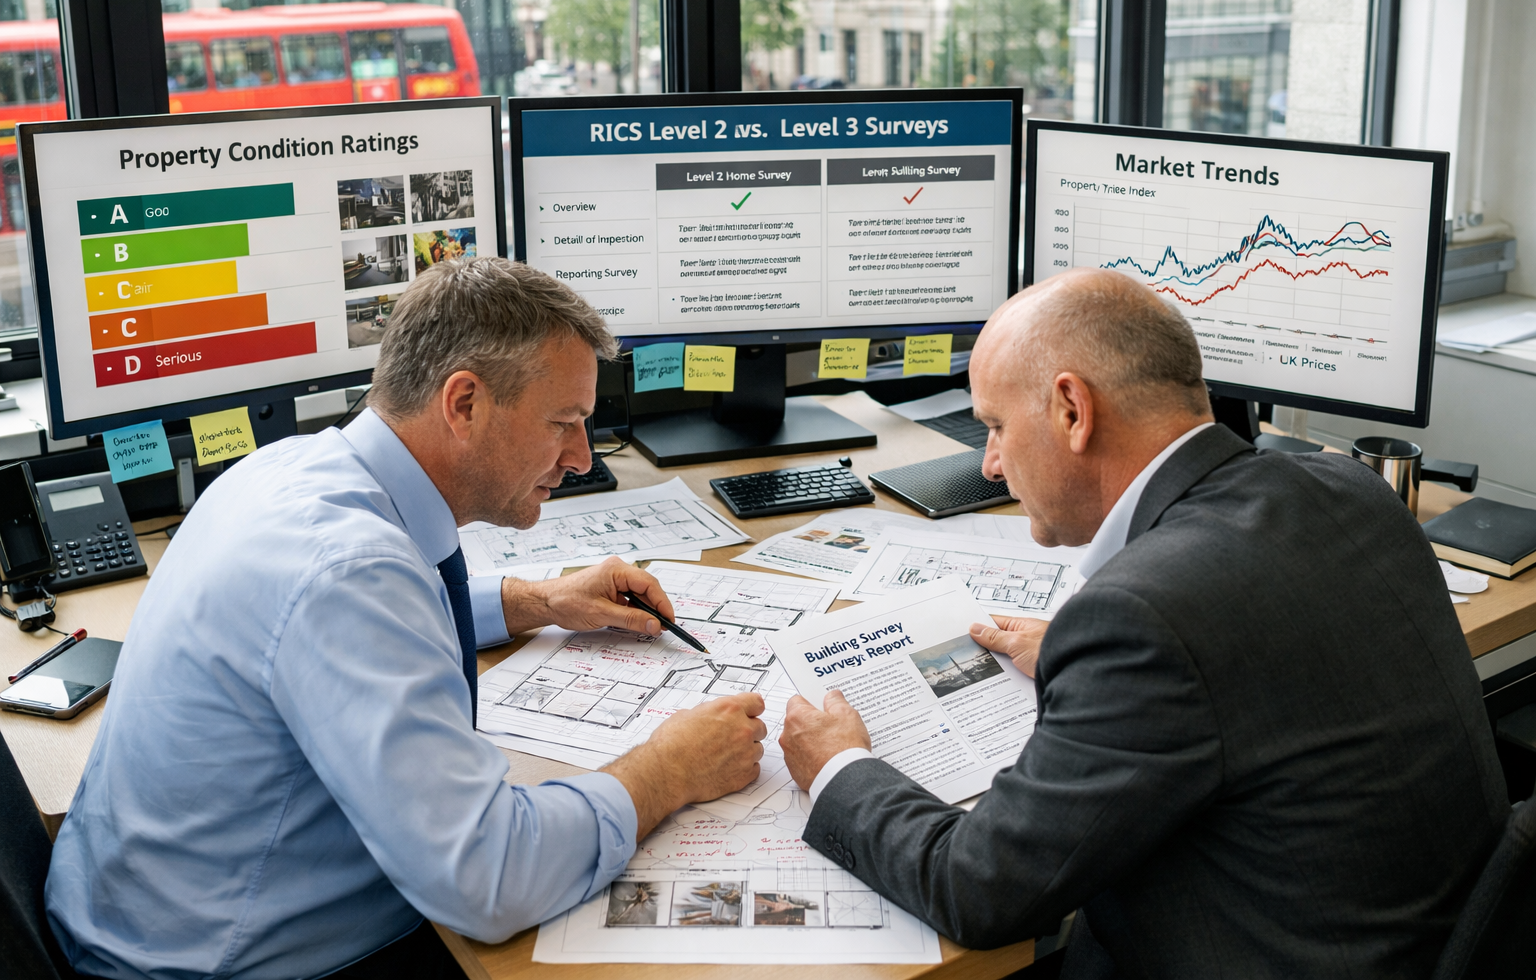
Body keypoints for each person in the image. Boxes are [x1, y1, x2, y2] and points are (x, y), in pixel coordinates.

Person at [46, 258, 767, 980]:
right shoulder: (347, 571)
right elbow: (489, 878)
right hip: (213, 966)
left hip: (149, 913)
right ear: (464, 404)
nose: (580, 457)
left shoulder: (291, 470)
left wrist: (535, 601)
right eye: (565, 422)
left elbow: (355, 628)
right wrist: (669, 770)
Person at [778, 268, 1508, 978]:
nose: (992, 465)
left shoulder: (1145, 618)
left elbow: (978, 889)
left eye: (996, 426)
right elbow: (1251, 656)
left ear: (1072, 410)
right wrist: (1088, 658)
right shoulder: (1347, 485)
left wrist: (841, 769)